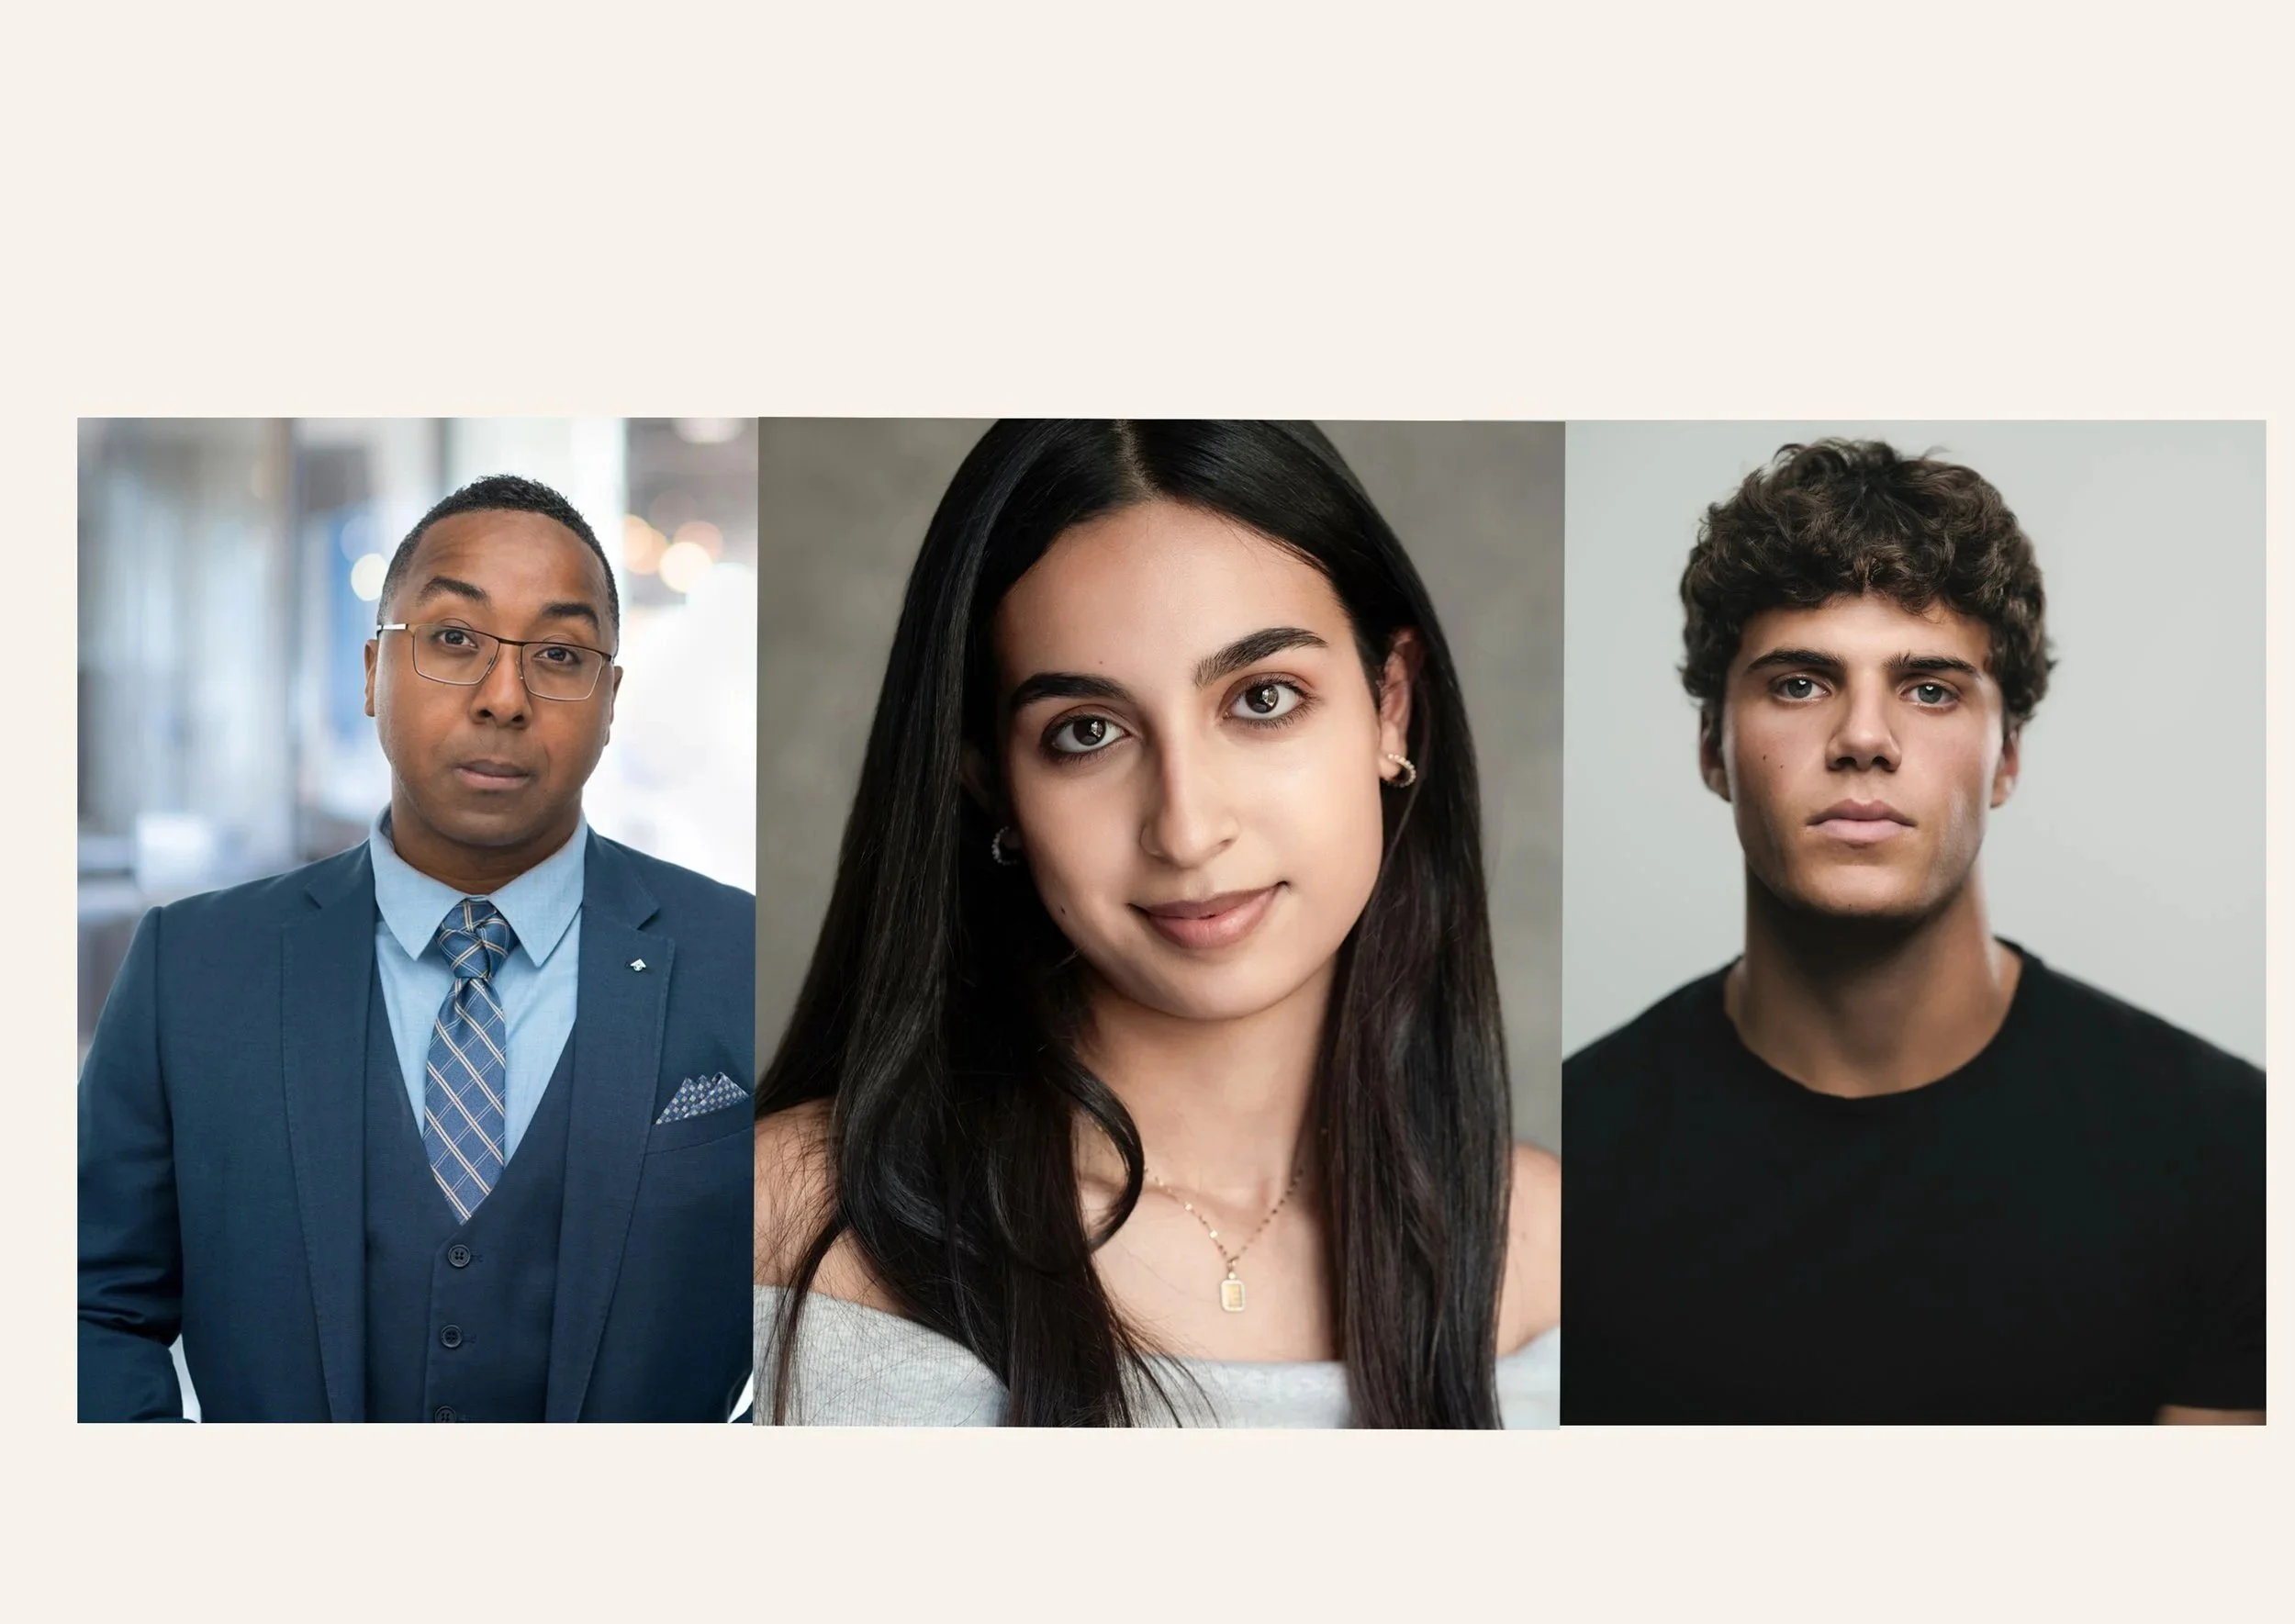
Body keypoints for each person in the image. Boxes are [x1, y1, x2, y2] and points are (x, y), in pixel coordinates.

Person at [754, 420, 1559, 1427]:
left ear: (1389, 706)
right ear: (989, 779)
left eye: (1262, 698)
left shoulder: (1554, 1248)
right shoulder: (789, 1220)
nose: (1184, 827)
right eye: (1086, 732)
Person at [1562, 439, 2265, 1425]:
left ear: (2007, 755)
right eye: (1799, 682)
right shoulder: (1569, 1167)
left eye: (1929, 688)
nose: (1862, 737)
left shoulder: (2231, 1152)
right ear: (1711, 750)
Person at [79, 474, 755, 1422]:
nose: (504, 696)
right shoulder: (190, 968)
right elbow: (89, 1309)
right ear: (370, 671)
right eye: (451, 640)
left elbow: (828, 1328)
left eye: (559, 653)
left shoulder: (750, 959)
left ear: (609, 700)